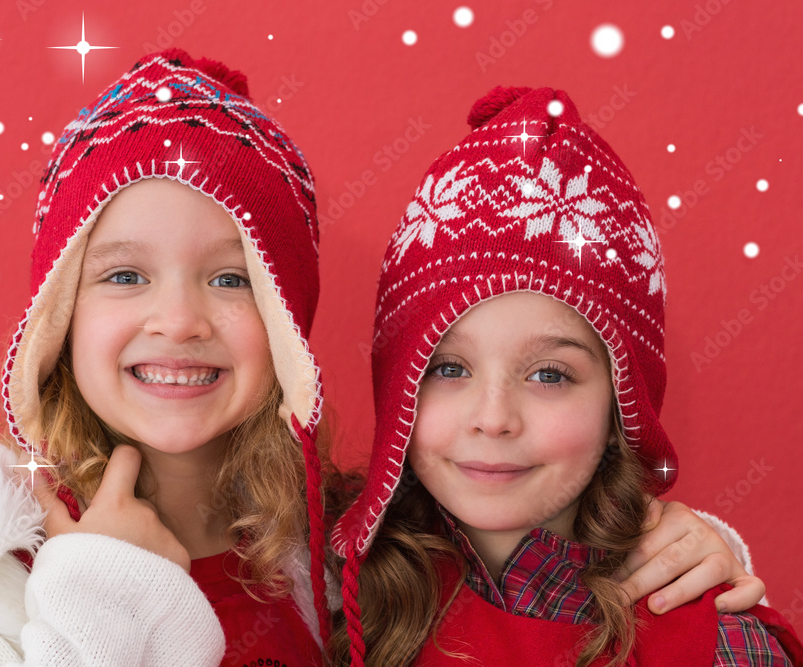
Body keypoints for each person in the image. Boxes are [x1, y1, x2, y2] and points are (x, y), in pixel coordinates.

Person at [0, 48, 333, 666]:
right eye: (124, 275)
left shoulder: (330, 559)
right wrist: (106, 587)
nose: (177, 321)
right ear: (59, 319)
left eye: (230, 279)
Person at [329, 86, 803, 666]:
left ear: (622, 405)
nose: (494, 419)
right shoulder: (328, 596)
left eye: (549, 375)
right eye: (449, 368)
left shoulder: (716, 646)